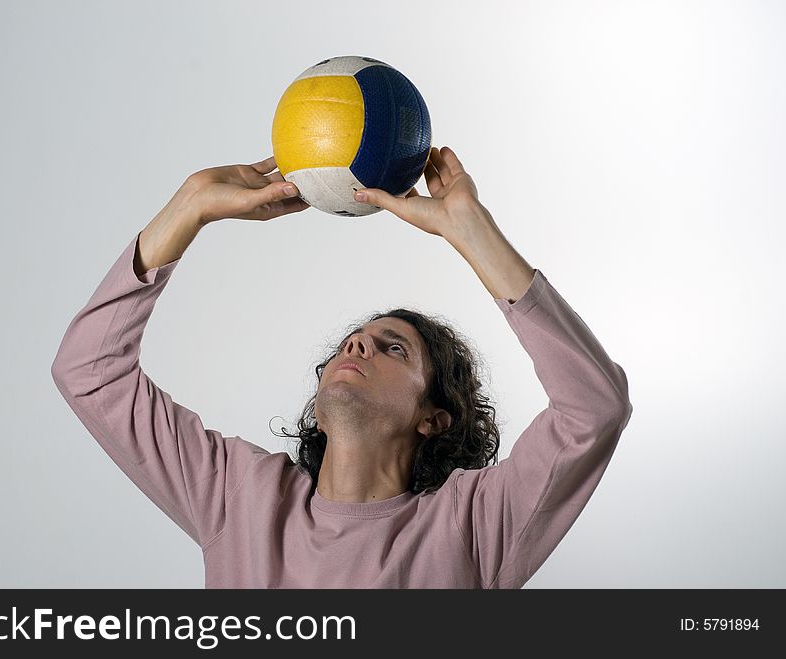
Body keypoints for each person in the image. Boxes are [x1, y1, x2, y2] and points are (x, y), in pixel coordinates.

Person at [51, 146, 632, 588]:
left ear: (434, 418)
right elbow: (88, 371)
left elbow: (594, 409)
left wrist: (472, 233)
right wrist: (191, 205)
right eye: (353, 341)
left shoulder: (474, 525)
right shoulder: (240, 496)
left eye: (393, 348)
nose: (358, 347)